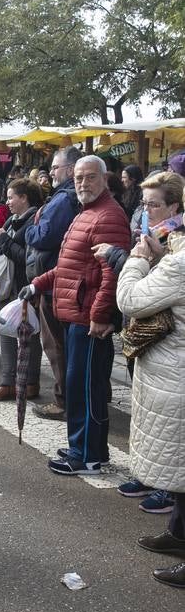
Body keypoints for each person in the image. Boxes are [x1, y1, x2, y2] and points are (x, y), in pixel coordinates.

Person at [20, 155, 131, 475]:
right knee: (81, 386)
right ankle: (86, 448)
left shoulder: (108, 215)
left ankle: (87, 456)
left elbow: (111, 275)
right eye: (79, 177)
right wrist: (38, 284)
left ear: (104, 179)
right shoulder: (88, 212)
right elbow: (69, 266)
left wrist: (100, 314)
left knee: (84, 389)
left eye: (90, 177)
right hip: (78, 316)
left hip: (88, 320)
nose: (83, 183)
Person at [116, 229, 185, 589]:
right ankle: (179, 533)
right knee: (180, 467)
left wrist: (138, 259)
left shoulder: (180, 264)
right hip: (173, 378)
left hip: (176, 380)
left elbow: (129, 299)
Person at [25, 146, 82, 420]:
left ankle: (63, 400)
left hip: (54, 281)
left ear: (70, 170)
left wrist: (30, 228)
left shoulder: (63, 199)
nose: (51, 173)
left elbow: (44, 236)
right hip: (65, 279)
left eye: (55, 168)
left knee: (56, 344)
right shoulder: (72, 197)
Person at [0, 178, 43, 401]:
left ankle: (31, 382)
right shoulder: (12, 221)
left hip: (26, 287)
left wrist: (3, 240)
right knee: (6, 331)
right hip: (8, 287)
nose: (8, 202)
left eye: (11, 197)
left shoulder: (35, 221)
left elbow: (27, 259)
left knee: (30, 335)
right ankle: (7, 382)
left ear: (24, 198)